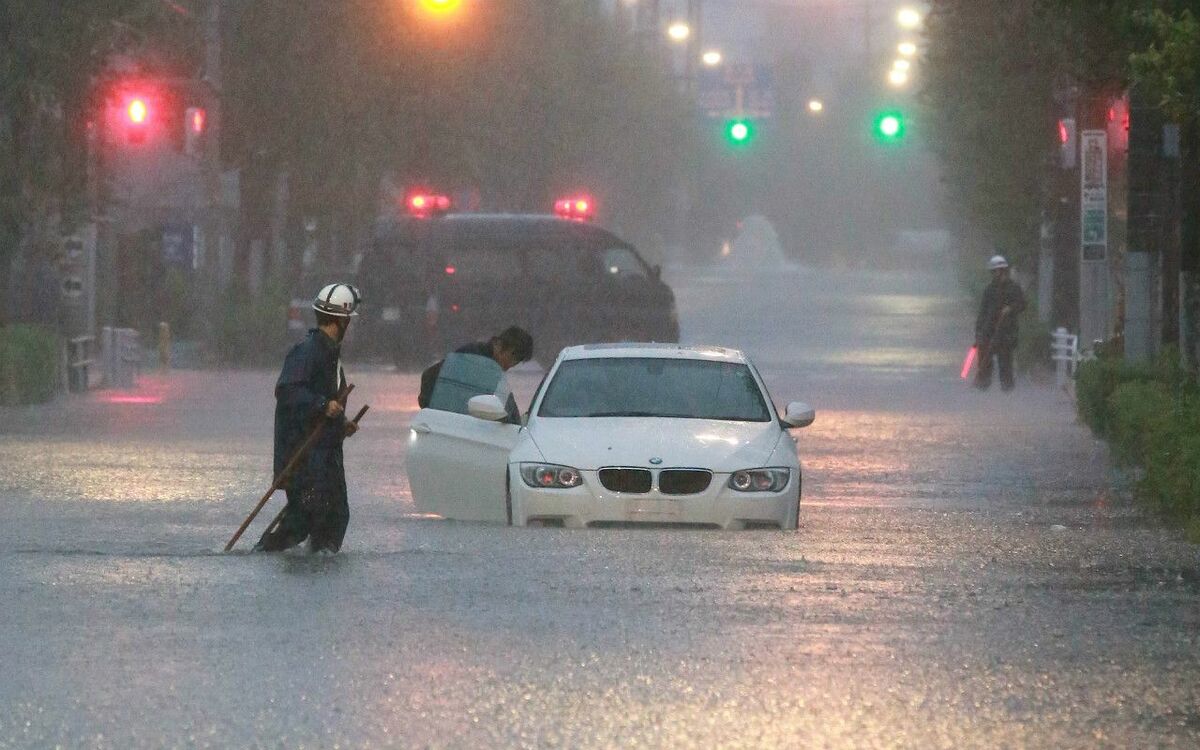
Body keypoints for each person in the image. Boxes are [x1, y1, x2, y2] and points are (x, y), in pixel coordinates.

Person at [255, 283, 362, 554]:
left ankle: (320, 561)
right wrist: (323, 405)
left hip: (326, 458)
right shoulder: (308, 351)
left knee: (335, 516)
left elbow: (327, 401)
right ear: (341, 321)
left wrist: (341, 423)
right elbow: (288, 391)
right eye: (348, 319)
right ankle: (266, 554)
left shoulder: (330, 355)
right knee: (303, 516)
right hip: (305, 459)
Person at [417, 326, 534, 418]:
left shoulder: (487, 364)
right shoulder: (473, 358)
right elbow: (430, 376)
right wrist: (433, 412)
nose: (510, 365)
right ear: (499, 345)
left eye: (516, 362)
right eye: (511, 358)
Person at [974, 255, 1027, 392]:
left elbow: (1022, 304)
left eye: (996, 271)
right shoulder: (989, 289)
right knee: (984, 355)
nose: (994, 274)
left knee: (1005, 360)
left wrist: (1010, 308)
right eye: (993, 272)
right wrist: (979, 331)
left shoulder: (1014, 288)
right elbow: (983, 311)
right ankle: (983, 382)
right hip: (989, 330)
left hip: (1007, 331)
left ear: (1003, 271)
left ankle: (1007, 385)